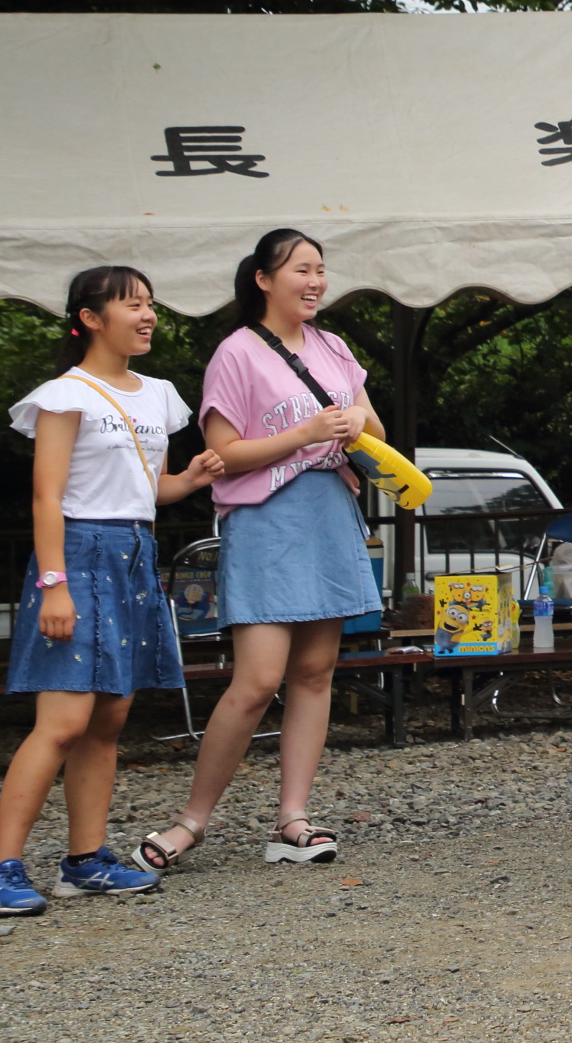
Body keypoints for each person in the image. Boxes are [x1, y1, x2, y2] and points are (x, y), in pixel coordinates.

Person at [135, 229, 387, 874]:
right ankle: (191, 820)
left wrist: (356, 424)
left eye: (321, 270)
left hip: (329, 511)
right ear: (264, 279)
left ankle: (292, 819)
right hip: (266, 520)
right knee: (255, 681)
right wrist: (306, 432)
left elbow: (376, 430)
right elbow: (222, 454)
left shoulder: (334, 347)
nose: (315, 282)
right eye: (302, 269)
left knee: (315, 674)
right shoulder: (236, 353)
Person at [0, 269, 226, 915]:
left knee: (108, 719)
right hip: (78, 555)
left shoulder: (158, 394)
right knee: (62, 720)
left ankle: (85, 861)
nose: (147, 315)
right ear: (90, 317)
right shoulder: (66, 395)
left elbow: (149, 491)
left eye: (150, 304)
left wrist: (191, 476)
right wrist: (54, 583)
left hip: (132, 555)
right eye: (132, 304)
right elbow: (47, 495)